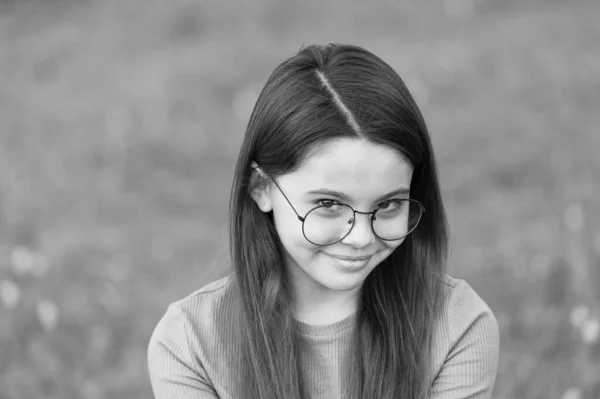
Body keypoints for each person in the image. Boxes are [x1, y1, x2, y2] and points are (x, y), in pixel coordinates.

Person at [147, 43, 499, 399]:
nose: (361, 237)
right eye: (329, 203)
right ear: (262, 187)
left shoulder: (457, 323)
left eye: (389, 204)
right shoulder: (190, 342)